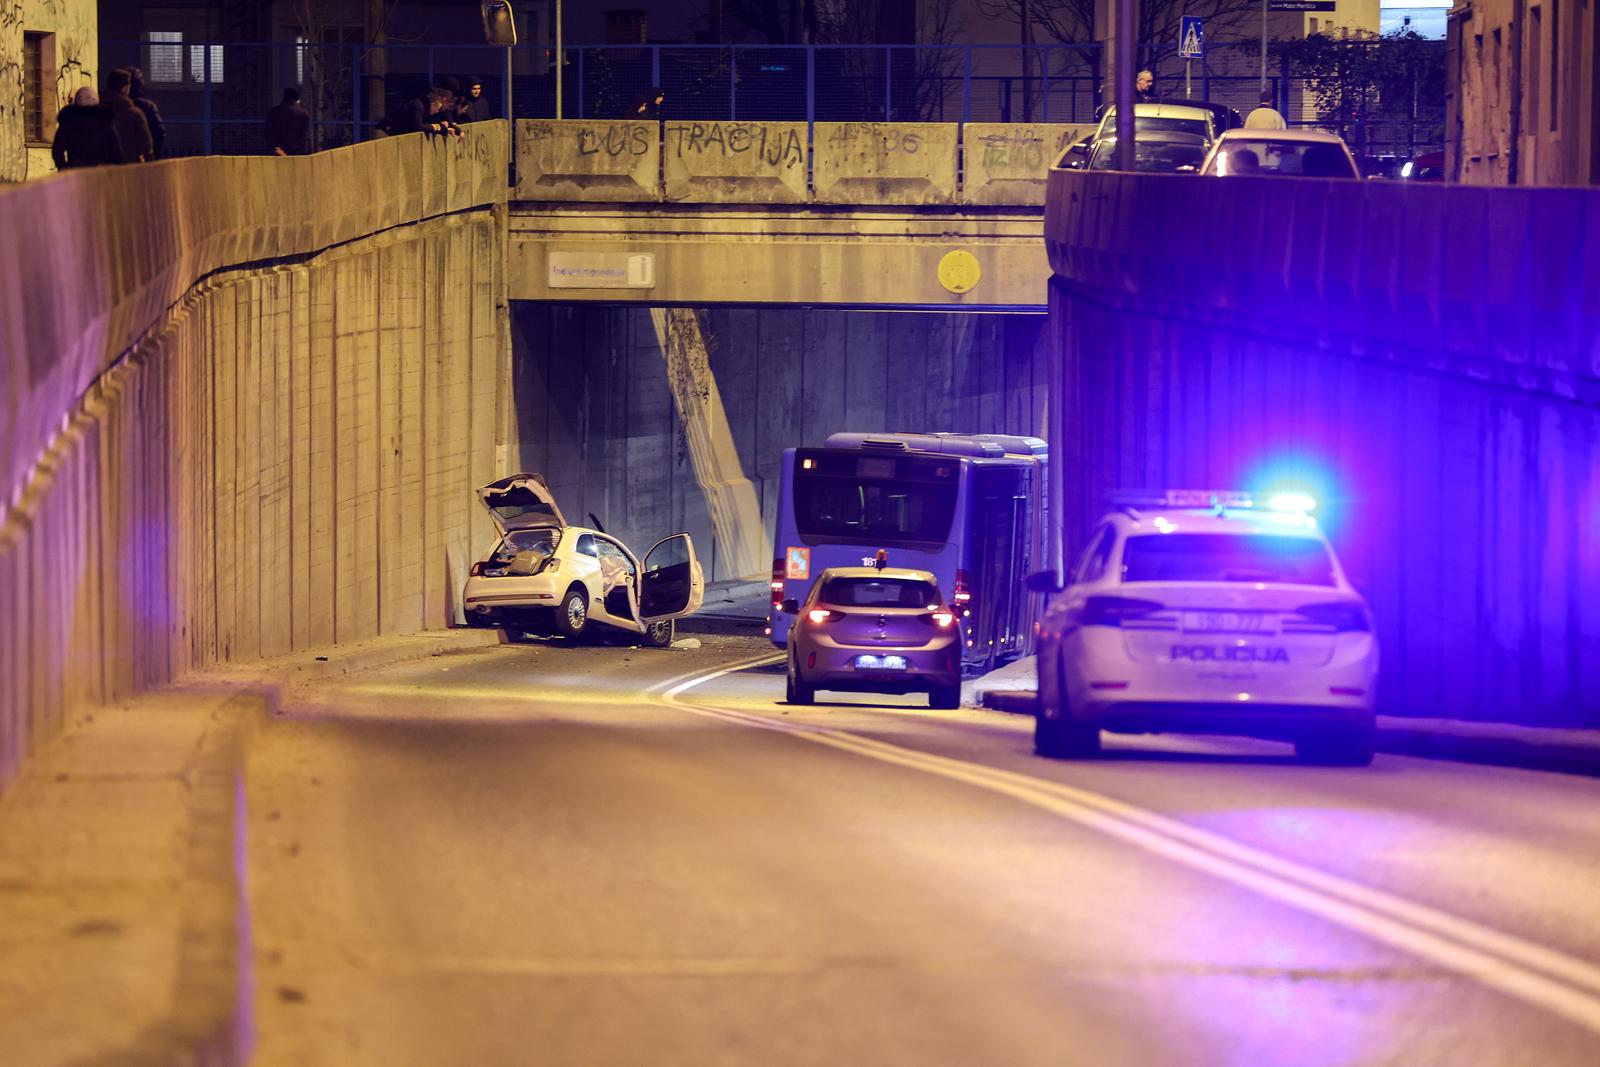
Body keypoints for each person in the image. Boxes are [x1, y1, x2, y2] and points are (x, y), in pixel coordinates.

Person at [51, 87, 123, 169]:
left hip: (75, 171)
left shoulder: (69, 122)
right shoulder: (106, 123)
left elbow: (57, 150)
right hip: (100, 172)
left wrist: (63, 168)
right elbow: (117, 154)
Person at [104, 69, 154, 163]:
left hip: (98, 169)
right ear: (125, 88)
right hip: (127, 167)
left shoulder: (96, 110)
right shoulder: (134, 114)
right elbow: (145, 145)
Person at [377, 86, 461, 138]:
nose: (437, 111)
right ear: (432, 104)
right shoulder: (418, 105)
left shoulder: (425, 109)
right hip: (385, 131)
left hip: (394, 132)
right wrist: (437, 127)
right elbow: (418, 126)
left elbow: (428, 124)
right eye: (437, 108)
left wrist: (444, 130)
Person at [127, 67, 166, 158]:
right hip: (142, 156)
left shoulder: (108, 105)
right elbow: (159, 131)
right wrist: (152, 153)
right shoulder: (146, 105)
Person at [265, 87, 313, 156]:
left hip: (277, 154)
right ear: (297, 99)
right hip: (296, 154)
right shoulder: (303, 113)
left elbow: (268, 133)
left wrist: (277, 149)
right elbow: (304, 136)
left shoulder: (272, 112)